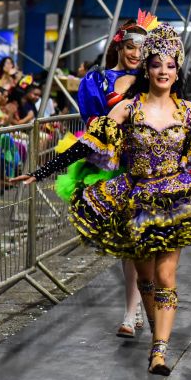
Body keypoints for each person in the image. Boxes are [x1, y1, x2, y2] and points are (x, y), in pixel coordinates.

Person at [12, 21, 191, 376]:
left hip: (174, 201)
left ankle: (160, 350)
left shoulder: (188, 111)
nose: (163, 71)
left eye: (170, 65)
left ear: (176, 69)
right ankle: (154, 332)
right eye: (156, 64)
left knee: (166, 276)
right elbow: (87, 144)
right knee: (146, 278)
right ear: (146, 68)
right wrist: (40, 171)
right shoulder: (127, 109)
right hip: (133, 200)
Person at [75, 18, 148, 338]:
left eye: (142, 49)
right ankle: (134, 310)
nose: (136, 53)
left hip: (150, 166)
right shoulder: (98, 80)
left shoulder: (154, 79)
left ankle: (136, 309)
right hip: (115, 168)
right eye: (131, 46)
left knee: (144, 241)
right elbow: (93, 123)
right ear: (119, 45)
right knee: (129, 243)